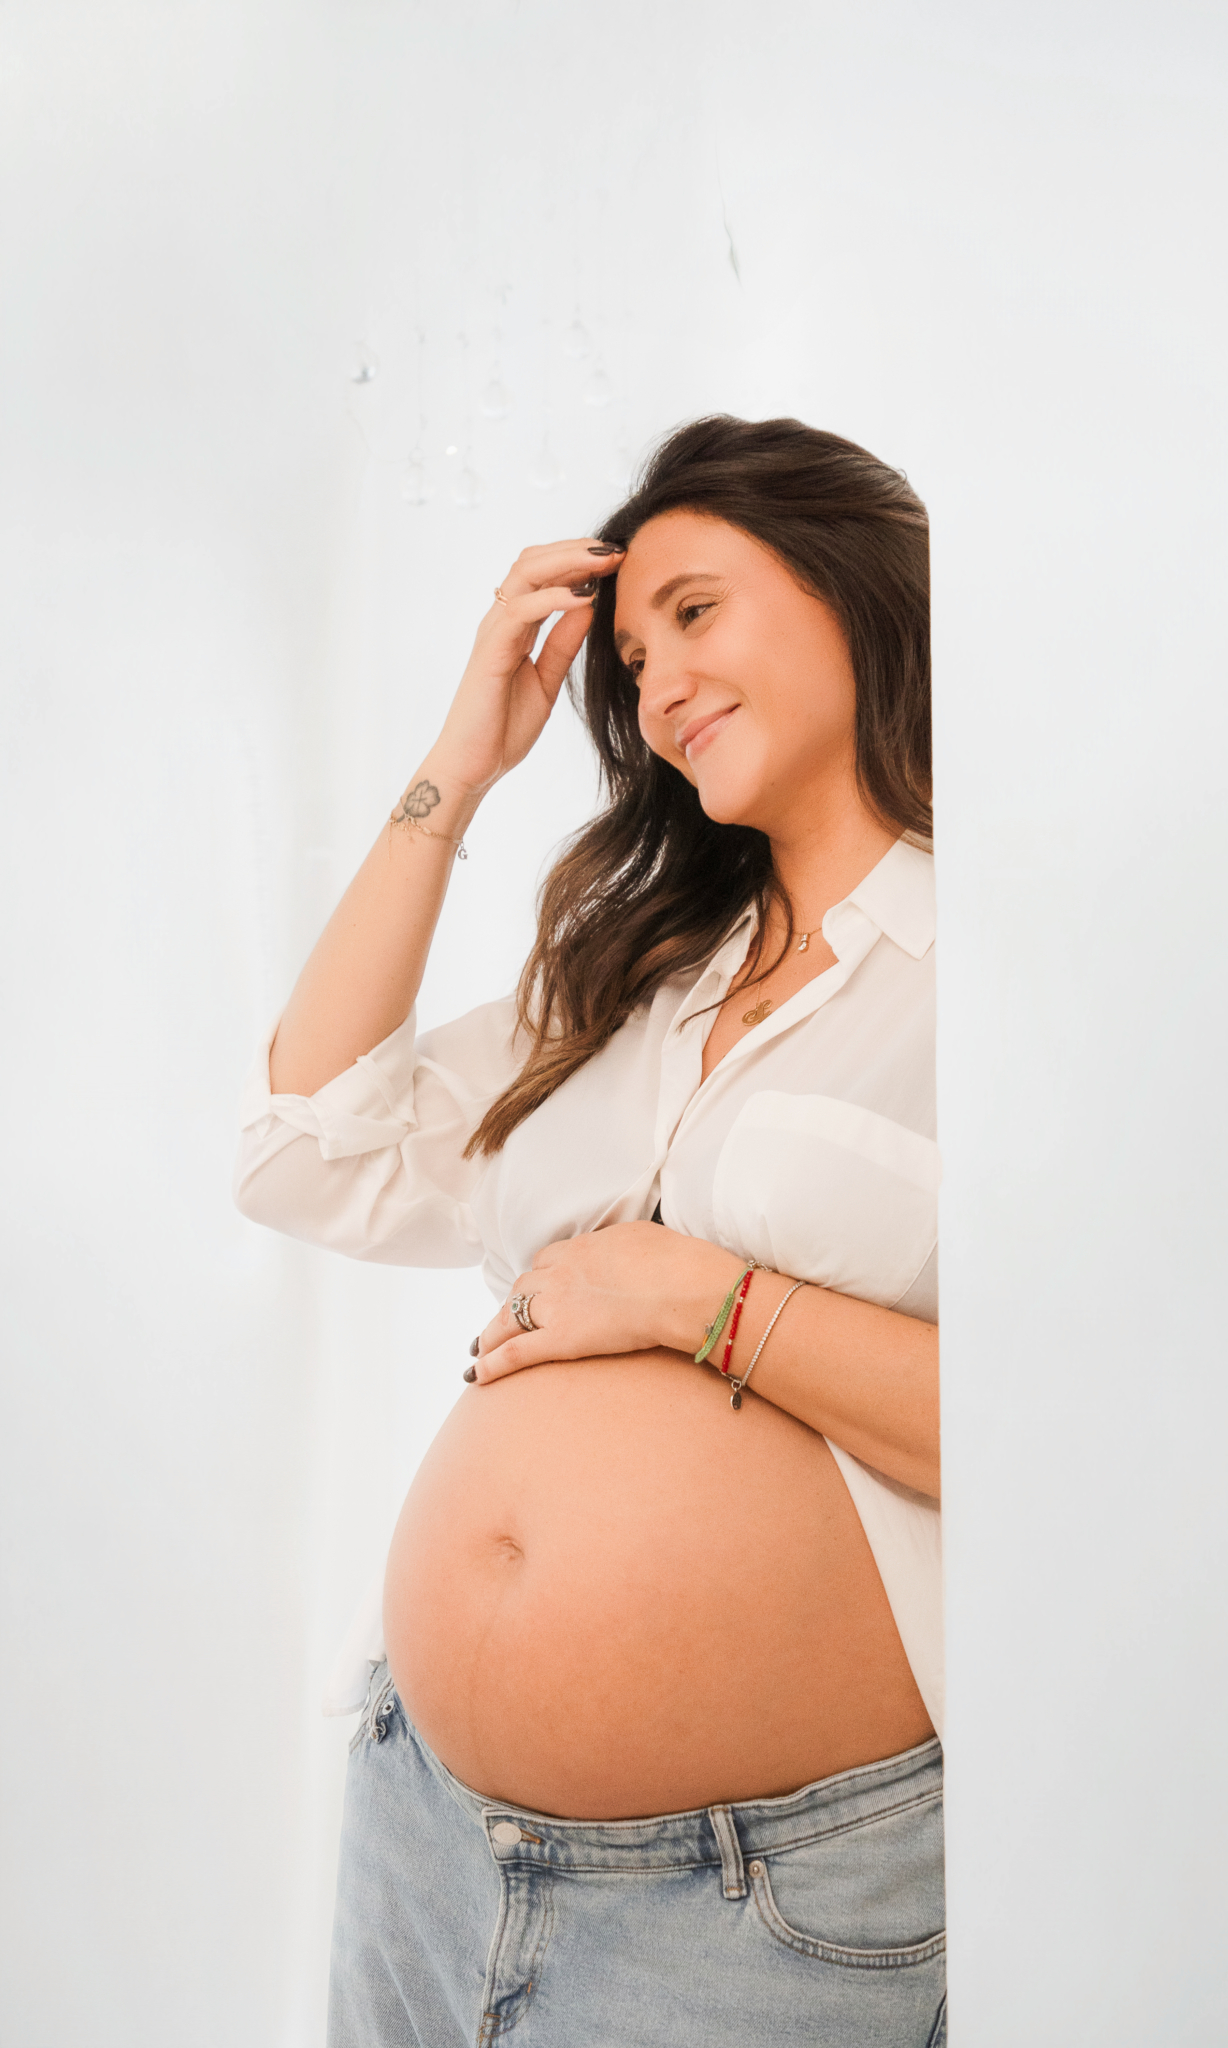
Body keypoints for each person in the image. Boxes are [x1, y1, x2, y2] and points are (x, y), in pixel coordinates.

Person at [234, 414, 946, 2047]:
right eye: (626, 659)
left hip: (757, 1892)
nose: (653, 683)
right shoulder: (632, 971)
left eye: (694, 612)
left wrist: (702, 1299)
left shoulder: (1005, 972)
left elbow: (1084, 1450)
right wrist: (458, 764)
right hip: (422, 1818)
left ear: (857, 590)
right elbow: (304, 1151)